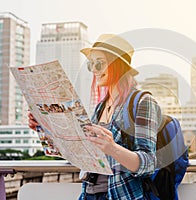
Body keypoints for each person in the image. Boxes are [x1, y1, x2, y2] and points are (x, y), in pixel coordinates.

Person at [28, 34, 161, 200]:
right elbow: (82, 154)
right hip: (89, 194)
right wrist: (45, 126)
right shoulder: (100, 108)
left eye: (99, 63)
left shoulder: (143, 102)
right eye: (91, 64)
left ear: (118, 65)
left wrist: (112, 148)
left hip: (121, 196)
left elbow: (149, 163)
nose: (94, 70)